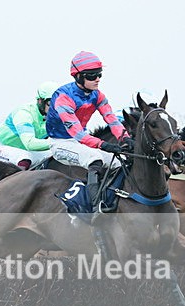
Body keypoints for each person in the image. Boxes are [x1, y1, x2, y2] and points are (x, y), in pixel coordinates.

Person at [45, 51, 134, 208]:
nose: (97, 79)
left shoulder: (98, 95)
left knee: (121, 162)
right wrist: (103, 144)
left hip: (80, 142)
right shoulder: (63, 98)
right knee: (94, 158)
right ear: (78, 76)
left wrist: (125, 138)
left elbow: (112, 120)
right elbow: (79, 135)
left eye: (99, 74)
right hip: (61, 143)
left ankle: (116, 199)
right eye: (92, 76)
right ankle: (95, 207)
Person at [0, 81, 61, 170]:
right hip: (4, 148)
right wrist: (57, 143)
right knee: (25, 158)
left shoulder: (57, 115)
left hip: (30, 151)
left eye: (57, 103)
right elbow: (29, 144)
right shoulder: (24, 113)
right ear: (40, 101)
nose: (54, 108)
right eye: (50, 103)